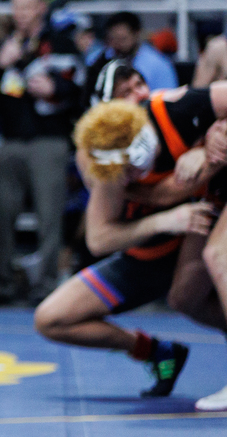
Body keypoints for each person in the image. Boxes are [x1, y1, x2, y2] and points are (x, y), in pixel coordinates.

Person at [32, 62, 220, 395]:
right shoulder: (105, 155)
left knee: (189, 291)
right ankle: (157, 352)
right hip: (154, 248)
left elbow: (167, 191)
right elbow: (100, 237)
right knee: (50, 318)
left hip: (203, 222)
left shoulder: (172, 108)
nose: (139, 96)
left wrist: (212, 142)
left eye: (138, 86)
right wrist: (163, 221)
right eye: (125, 92)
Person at [0, 0, 86, 303]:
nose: (20, 14)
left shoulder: (60, 43)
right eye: (16, 8)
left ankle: (44, 284)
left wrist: (55, 88)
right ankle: (2, 282)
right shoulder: (6, 46)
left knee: (49, 216)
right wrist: (1, 66)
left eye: (27, 7)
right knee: (1, 214)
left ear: (41, 8)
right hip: (11, 139)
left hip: (50, 140)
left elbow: (80, 89)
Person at [100, 10, 177, 89]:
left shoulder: (159, 65)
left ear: (136, 34)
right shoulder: (101, 60)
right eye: (113, 39)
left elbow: (167, 97)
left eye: (123, 39)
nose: (117, 44)